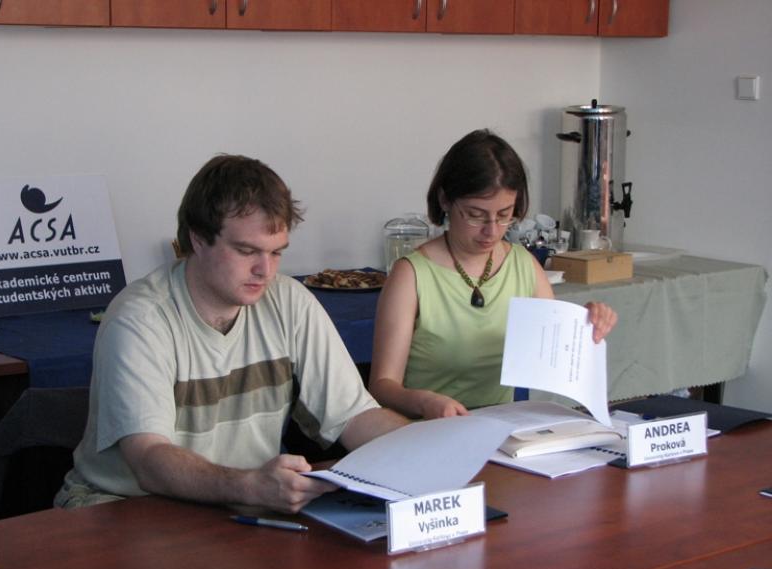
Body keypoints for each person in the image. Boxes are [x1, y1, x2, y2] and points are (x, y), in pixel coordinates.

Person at [55, 154, 409, 514]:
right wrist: (249, 487)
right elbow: (149, 460)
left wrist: (430, 447)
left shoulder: (290, 301)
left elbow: (354, 417)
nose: (265, 270)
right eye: (246, 251)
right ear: (197, 239)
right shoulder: (141, 319)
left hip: (234, 506)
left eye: (276, 252)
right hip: (120, 508)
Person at [369, 129, 617, 419]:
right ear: (445, 200)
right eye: (475, 215)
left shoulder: (523, 265)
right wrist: (424, 402)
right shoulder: (411, 275)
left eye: (504, 215)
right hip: (427, 428)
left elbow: (557, 358)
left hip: (497, 427)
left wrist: (587, 325)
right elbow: (382, 386)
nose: (492, 231)